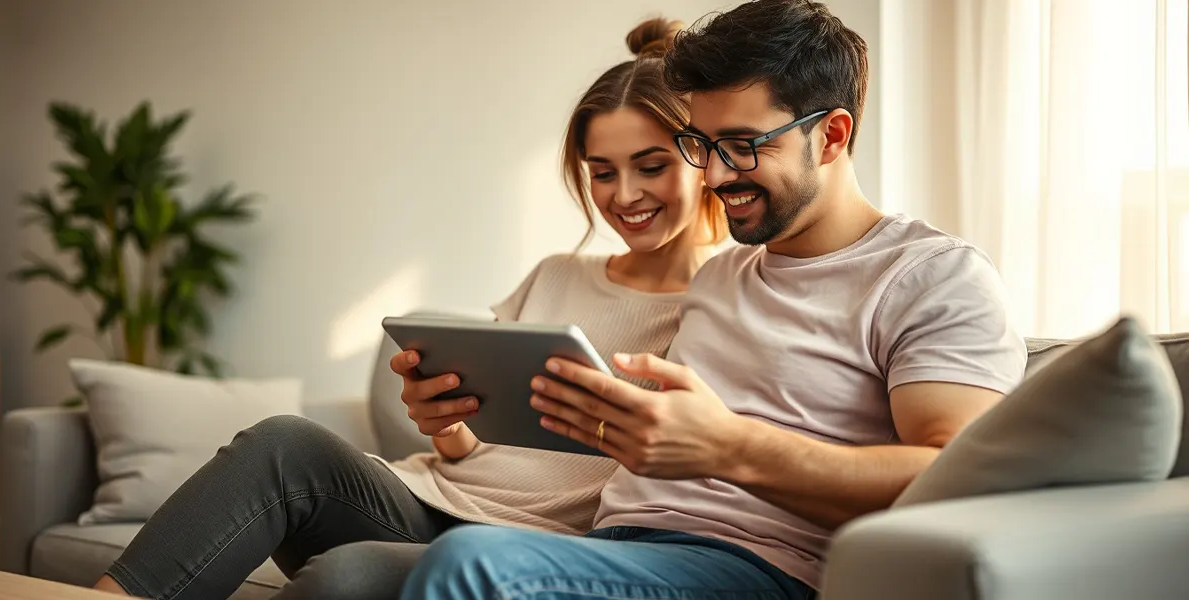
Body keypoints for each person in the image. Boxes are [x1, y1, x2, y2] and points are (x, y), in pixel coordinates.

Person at [397, 1, 1030, 599]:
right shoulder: (722, 273)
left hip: (758, 565)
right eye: (702, 146)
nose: (717, 176)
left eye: (744, 146)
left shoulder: (933, 277)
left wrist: (730, 447)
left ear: (832, 136)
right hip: (614, 546)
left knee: (471, 562)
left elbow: (954, 482)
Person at [91, 17, 728, 600]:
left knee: (347, 576)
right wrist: (448, 427)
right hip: (425, 500)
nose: (625, 195)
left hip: (532, 552)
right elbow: (471, 448)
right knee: (279, 443)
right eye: (602, 172)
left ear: (701, 158)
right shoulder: (557, 275)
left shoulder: (728, 303)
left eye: (651, 165)